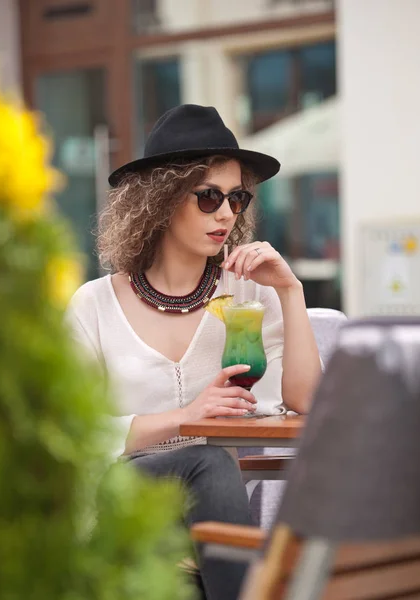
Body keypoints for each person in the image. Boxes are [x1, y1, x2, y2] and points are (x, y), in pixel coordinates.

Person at [66, 104, 322, 600]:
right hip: (117, 511)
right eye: (208, 197)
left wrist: (292, 292)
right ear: (161, 200)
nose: (227, 213)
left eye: (237, 197)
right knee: (208, 460)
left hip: (206, 543)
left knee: (210, 473)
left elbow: (309, 402)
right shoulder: (92, 305)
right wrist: (185, 419)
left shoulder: (251, 294)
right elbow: (72, 437)